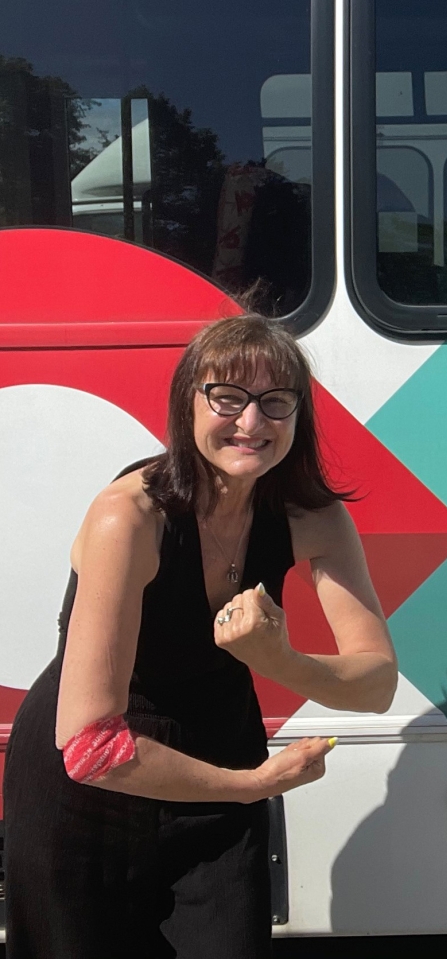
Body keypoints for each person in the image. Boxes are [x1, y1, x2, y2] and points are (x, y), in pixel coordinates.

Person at [3, 314, 398, 958]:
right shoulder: (128, 516)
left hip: (217, 748)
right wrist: (254, 785)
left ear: (299, 417)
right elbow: (90, 747)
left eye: (275, 402)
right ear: (186, 403)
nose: (251, 422)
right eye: (227, 397)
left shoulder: (311, 516)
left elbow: (376, 683)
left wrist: (280, 660)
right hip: (90, 788)